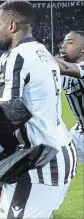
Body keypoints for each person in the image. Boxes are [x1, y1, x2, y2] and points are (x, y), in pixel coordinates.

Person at [0, 1, 77, 218]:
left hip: (38, 162)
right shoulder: (43, 52)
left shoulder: (14, 56)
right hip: (61, 152)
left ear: (12, 26)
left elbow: (8, 114)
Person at [56, 30, 84, 163]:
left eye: (70, 42)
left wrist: (38, 54)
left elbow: (66, 68)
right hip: (79, 132)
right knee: (58, 163)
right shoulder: (63, 74)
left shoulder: (68, 69)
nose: (64, 45)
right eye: (63, 42)